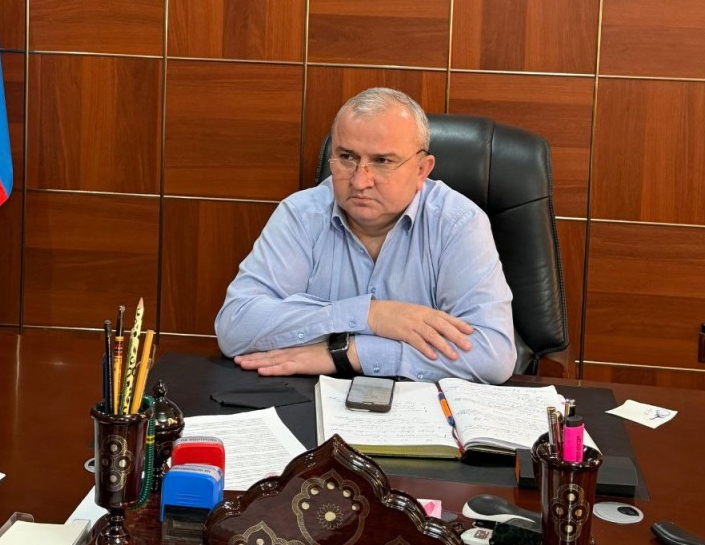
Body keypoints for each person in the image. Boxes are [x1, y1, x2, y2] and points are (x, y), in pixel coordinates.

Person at [215, 88, 516, 384]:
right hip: (309, 402)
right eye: (347, 157)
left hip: (420, 408)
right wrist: (369, 315)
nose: (360, 181)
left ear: (421, 170)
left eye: (382, 161)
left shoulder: (457, 223)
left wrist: (347, 353)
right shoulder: (301, 215)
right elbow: (235, 326)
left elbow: (493, 354)